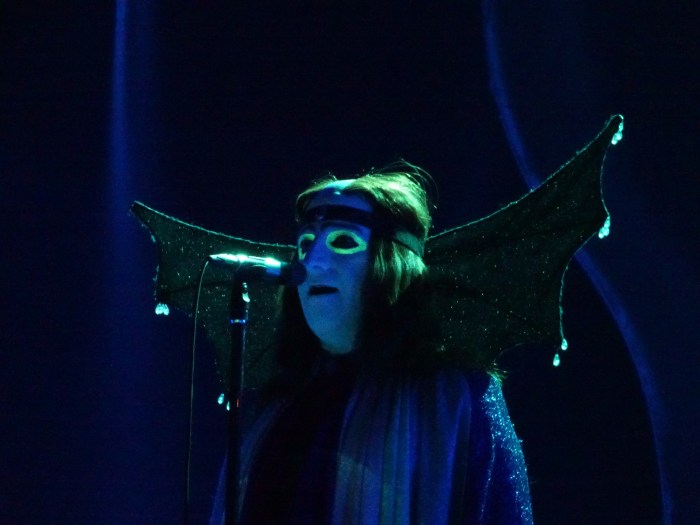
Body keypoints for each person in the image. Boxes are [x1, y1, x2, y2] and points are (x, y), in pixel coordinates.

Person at [211, 163, 533, 524]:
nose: (312, 263)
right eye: (304, 245)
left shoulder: (454, 399)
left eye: (343, 242)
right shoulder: (270, 409)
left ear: (392, 264)